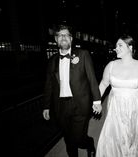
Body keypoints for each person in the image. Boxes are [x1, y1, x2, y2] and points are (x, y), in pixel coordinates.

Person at [42, 23, 101, 157]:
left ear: (71, 39)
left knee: (77, 138)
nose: (63, 38)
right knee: (68, 139)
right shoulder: (52, 61)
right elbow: (49, 85)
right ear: (56, 40)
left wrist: (97, 100)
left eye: (66, 35)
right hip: (60, 106)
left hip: (80, 105)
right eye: (60, 35)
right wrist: (46, 106)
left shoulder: (83, 54)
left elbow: (92, 79)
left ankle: (88, 142)